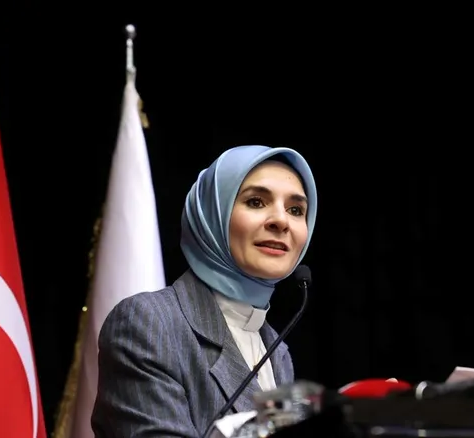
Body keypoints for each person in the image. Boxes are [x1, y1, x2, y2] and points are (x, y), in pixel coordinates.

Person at [91, 145, 318, 437]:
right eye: (256, 202)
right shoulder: (148, 323)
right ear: (212, 213)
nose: (281, 221)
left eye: (296, 210)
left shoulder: (277, 351)